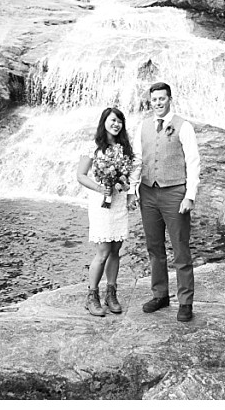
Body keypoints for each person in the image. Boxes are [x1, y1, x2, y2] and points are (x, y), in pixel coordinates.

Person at [128, 82, 200, 323]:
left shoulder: (184, 126)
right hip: (148, 192)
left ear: (169, 99)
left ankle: (186, 301)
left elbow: (193, 161)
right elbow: (138, 159)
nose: (158, 103)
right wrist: (132, 188)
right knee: (154, 248)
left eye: (162, 98)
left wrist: (190, 195)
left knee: (180, 248)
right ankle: (160, 295)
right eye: (154, 99)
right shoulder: (143, 126)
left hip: (174, 193)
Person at [76, 107, 135, 317]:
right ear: (104, 122)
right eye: (112, 120)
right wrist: (101, 188)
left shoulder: (124, 147)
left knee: (116, 250)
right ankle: (92, 296)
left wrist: (128, 188)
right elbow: (81, 176)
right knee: (102, 253)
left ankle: (111, 293)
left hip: (118, 202)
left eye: (119, 121)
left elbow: (132, 172)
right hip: (100, 203)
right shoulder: (94, 146)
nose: (116, 124)